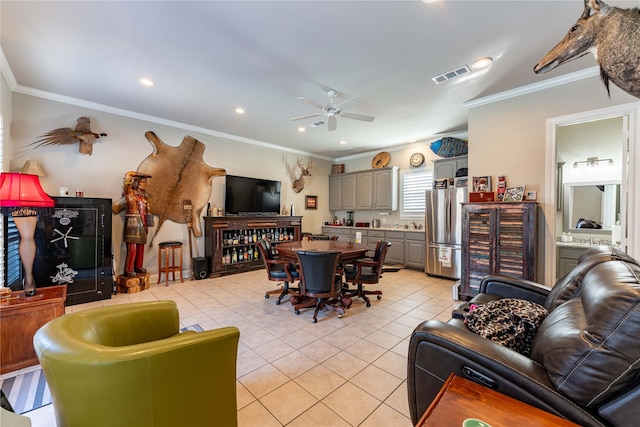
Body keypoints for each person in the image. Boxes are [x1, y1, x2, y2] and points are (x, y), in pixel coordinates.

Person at [114, 171, 153, 277]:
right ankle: (129, 268)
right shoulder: (130, 193)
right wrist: (134, 174)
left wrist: (149, 222)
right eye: (141, 182)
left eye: (145, 183)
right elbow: (127, 180)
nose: (144, 185)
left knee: (141, 246)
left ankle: (138, 266)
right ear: (136, 183)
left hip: (143, 222)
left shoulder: (144, 197)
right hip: (133, 222)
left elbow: (147, 211)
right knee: (132, 247)